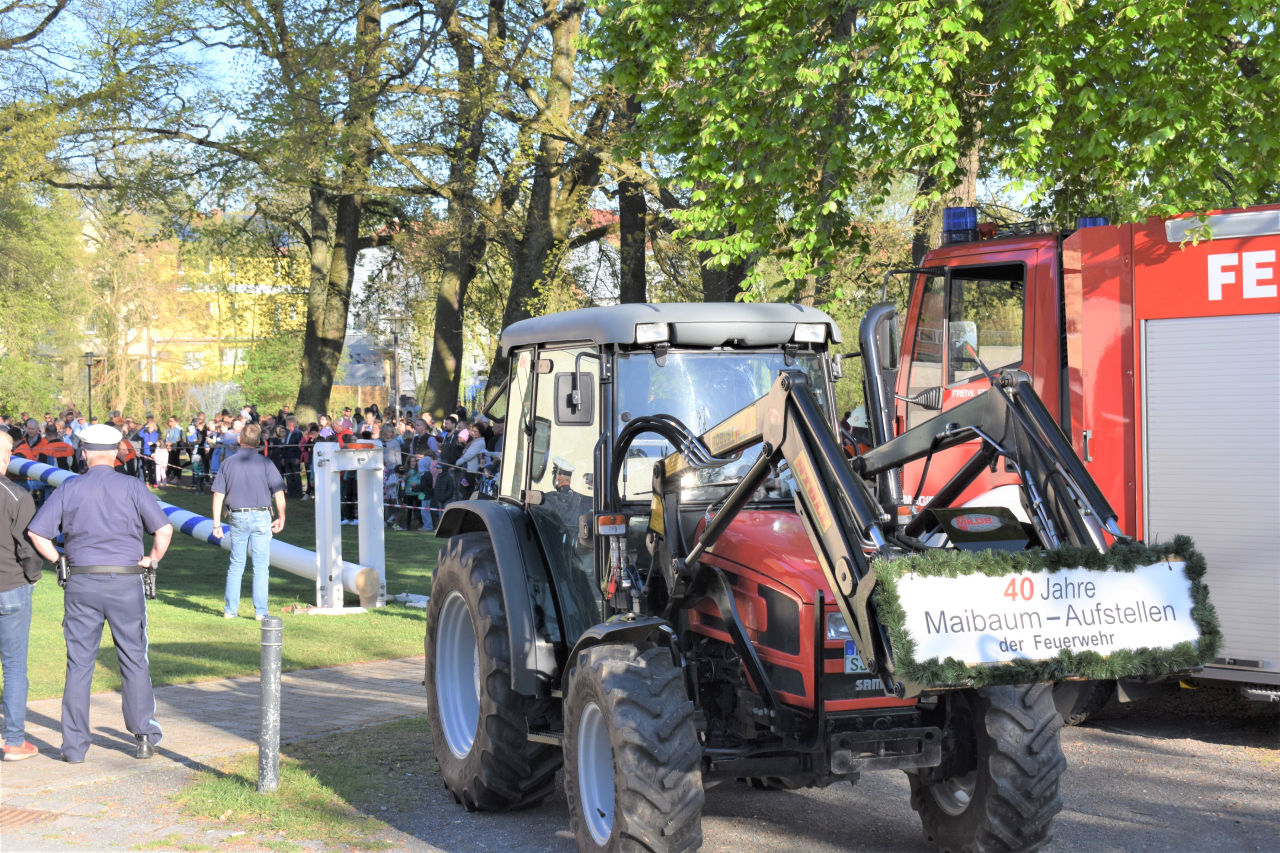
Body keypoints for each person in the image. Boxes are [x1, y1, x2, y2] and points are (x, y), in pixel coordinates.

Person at [26, 423, 173, 763]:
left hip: (81, 582)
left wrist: (58, 559)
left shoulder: (69, 487)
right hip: (125, 581)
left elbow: (38, 533)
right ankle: (144, 737)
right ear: (118, 452)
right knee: (134, 659)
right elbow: (163, 529)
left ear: (84, 453)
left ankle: (74, 747)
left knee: (78, 664)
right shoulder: (132, 486)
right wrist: (151, 559)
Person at [210, 423, 286, 620]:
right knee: (261, 566)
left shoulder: (227, 463)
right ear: (259, 442)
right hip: (261, 516)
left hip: (237, 516)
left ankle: (230, 610)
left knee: (236, 563)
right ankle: (261, 612)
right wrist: (282, 517)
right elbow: (279, 493)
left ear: (238, 439)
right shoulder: (266, 463)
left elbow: (218, 495)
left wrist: (216, 524)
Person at [0, 432, 42, 761]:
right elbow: (28, 548)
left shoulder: (16, 495)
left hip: (11, 585)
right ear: (7, 456)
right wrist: (33, 576)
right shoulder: (17, 496)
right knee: (14, 667)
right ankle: (13, 740)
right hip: (11, 587)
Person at [281, 417, 303, 498]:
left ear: (292, 423)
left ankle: (298, 492)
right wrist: (283, 457)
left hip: (294, 457)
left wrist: (298, 458)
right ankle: (291, 492)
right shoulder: (287, 433)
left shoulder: (298, 433)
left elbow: (299, 446)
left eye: (287, 422)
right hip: (287, 457)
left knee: (296, 475)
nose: (286, 424)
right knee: (289, 476)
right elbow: (285, 446)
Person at [138, 416, 161, 486]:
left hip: (153, 452)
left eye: (150, 427)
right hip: (146, 452)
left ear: (154, 427)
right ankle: (150, 481)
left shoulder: (156, 434)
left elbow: (159, 443)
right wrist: (145, 426)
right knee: (148, 468)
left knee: (154, 468)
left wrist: (153, 443)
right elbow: (139, 433)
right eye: (148, 427)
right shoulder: (145, 434)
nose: (149, 428)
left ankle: (156, 481)